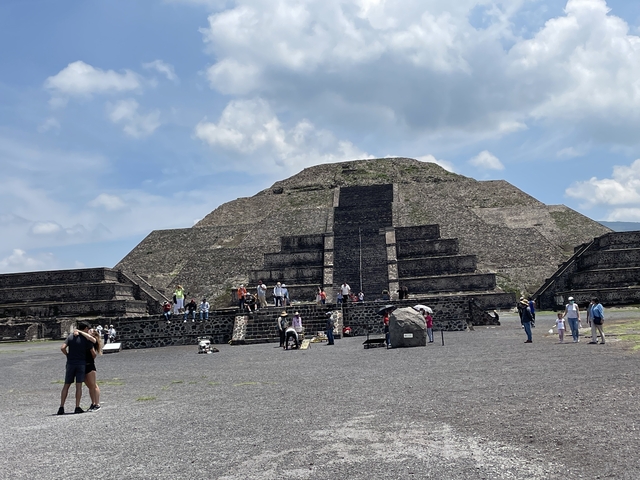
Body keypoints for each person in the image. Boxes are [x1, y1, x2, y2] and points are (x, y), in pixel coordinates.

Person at [58, 322, 95, 415]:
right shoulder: (85, 339)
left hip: (70, 363)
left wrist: (67, 355)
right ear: (85, 328)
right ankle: (77, 407)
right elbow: (93, 350)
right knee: (78, 386)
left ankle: (61, 407)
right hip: (81, 363)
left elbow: (62, 347)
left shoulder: (70, 337)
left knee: (66, 385)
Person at [76, 328, 103, 411]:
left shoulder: (93, 340)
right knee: (90, 386)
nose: (88, 331)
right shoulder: (87, 341)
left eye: (90, 331)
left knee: (94, 385)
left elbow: (94, 355)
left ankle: (97, 404)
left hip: (90, 365)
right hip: (84, 364)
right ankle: (93, 403)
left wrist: (78, 331)